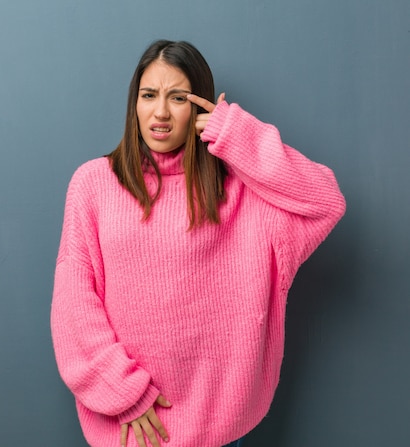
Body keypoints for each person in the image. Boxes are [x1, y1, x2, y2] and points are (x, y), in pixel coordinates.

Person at [50, 40, 346, 447]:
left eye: (178, 98)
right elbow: (73, 304)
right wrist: (125, 394)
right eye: (149, 95)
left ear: (201, 106)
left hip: (221, 429)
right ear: (133, 103)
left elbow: (325, 200)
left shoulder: (241, 193)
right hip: (134, 427)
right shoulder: (94, 184)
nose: (160, 113)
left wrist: (235, 133)